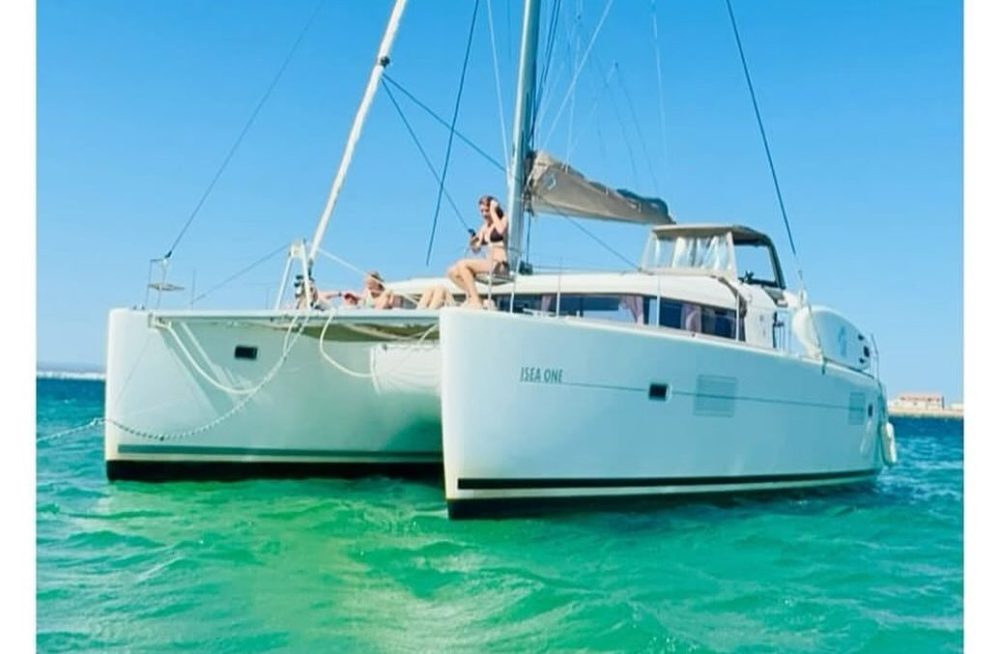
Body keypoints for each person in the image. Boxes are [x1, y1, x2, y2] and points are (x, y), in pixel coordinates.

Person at [447, 195, 508, 309]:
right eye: (482, 211)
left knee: (463, 264)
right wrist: (472, 242)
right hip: (488, 264)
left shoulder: (503, 220)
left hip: (501, 266)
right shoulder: (484, 228)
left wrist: (494, 212)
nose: (484, 214)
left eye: (487, 210)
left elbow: (501, 231)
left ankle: (476, 301)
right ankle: (476, 298)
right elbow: (476, 249)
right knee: (452, 271)